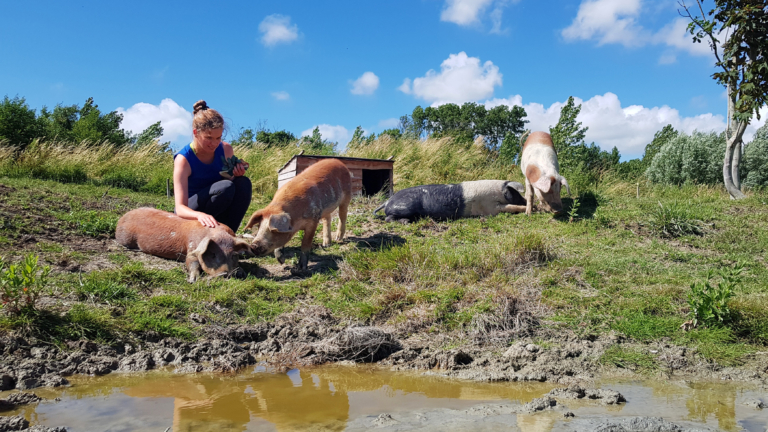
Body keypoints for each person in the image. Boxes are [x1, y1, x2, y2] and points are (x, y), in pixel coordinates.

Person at [173, 100, 252, 232]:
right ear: (196, 133)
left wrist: (236, 174)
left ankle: (229, 234)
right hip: (190, 213)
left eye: (218, 138)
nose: (214, 143)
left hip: (215, 204)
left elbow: (230, 188)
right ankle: (201, 232)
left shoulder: (226, 149)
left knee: (243, 183)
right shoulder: (183, 159)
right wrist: (199, 215)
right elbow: (180, 208)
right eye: (208, 137)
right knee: (226, 187)